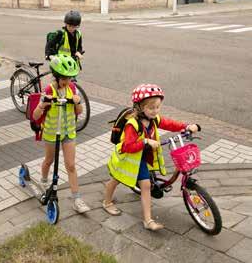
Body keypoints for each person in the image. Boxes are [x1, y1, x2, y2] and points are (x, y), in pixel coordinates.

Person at [103, 84, 200, 231]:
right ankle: (107, 202)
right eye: (151, 107)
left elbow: (169, 123)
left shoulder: (153, 119)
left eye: (158, 107)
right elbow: (126, 147)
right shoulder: (132, 124)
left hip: (141, 157)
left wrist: (186, 126)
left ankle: (147, 221)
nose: (155, 111)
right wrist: (146, 141)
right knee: (117, 178)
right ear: (140, 108)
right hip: (127, 158)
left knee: (145, 185)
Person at [33, 54, 90, 214]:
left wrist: (78, 102)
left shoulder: (72, 89)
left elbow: (79, 111)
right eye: (64, 78)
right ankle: (44, 182)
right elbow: (35, 116)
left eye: (70, 78)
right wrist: (43, 104)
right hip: (51, 133)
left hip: (68, 132)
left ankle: (77, 199)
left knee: (71, 165)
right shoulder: (49, 90)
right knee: (49, 160)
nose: (67, 82)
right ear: (56, 77)